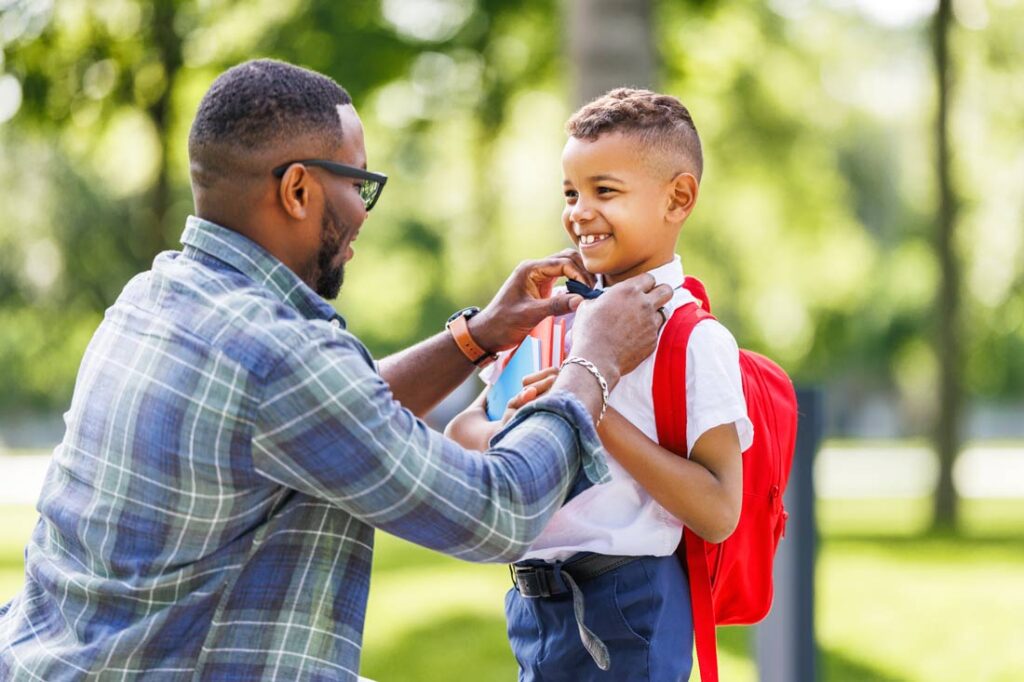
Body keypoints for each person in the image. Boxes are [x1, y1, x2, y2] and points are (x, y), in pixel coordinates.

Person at [0, 61, 674, 681]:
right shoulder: (279, 356)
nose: (363, 214)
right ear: (297, 188)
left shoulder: (154, 298)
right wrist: (594, 361)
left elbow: (325, 416)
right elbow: (496, 514)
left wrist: (474, 339)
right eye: (360, 185)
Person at [445, 88, 755, 681]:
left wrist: (588, 405)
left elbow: (718, 511)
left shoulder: (694, 340)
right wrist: (534, 420)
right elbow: (464, 433)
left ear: (678, 198)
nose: (579, 211)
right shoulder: (551, 317)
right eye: (571, 192)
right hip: (535, 604)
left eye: (603, 191)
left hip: (630, 602)